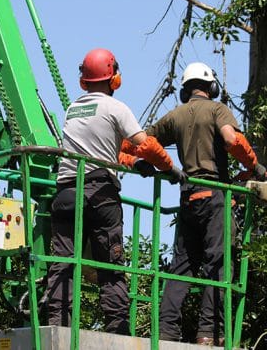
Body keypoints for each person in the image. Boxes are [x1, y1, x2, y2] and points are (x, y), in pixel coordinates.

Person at [45, 48, 185, 335]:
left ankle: (57, 327)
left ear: (84, 80)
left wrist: (132, 163)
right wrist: (170, 169)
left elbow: (96, 151)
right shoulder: (115, 108)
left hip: (66, 193)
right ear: (114, 79)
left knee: (63, 264)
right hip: (100, 195)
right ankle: (117, 332)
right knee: (111, 267)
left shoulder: (73, 109)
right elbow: (144, 143)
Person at [146, 62, 267, 345]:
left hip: (188, 196)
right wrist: (254, 165)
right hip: (215, 196)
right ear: (211, 87)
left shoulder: (175, 115)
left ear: (185, 89)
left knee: (182, 267)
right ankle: (208, 333)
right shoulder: (217, 109)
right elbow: (230, 139)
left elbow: (144, 141)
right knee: (218, 264)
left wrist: (148, 164)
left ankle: (165, 332)